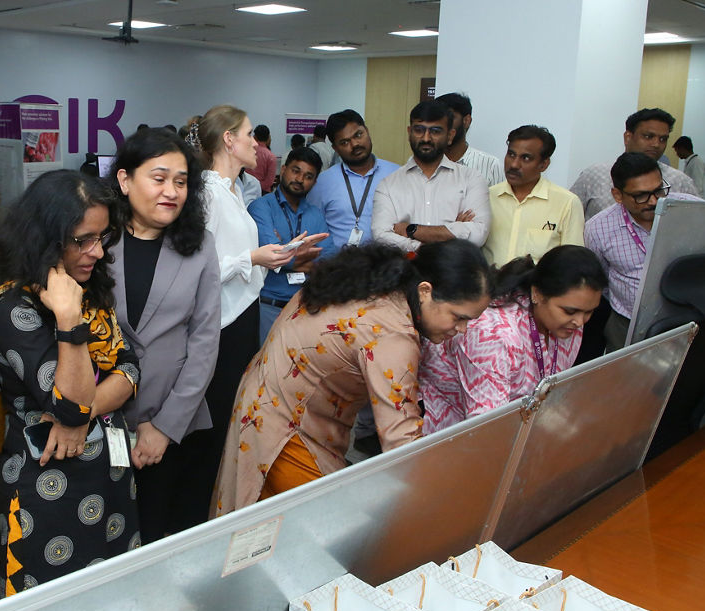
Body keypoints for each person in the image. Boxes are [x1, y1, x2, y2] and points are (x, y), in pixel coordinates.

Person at [212, 239, 494, 515]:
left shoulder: (383, 281)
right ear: (425, 291)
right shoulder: (393, 333)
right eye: (458, 317)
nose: (463, 330)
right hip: (284, 426)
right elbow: (401, 441)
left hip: (271, 399)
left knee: (267, 525)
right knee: (321, 530)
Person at [0, 170, 141, 596]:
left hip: (110, 481)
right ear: (46, 238)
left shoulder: (87, 286)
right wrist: (68, 321)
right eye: (83, 239)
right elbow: (68, 404)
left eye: (101, 237)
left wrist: (81, 416)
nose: (96, 252)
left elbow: (130, 369)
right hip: (46, 495)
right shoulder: (12, 308)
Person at [180, 104, 308, 526]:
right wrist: (253, 257)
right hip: (219, 322)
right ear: (229, 140)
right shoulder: (207, 193)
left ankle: (216, 509)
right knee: (214, 422)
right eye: (250, 134)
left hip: (240, 314)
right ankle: (197, 516)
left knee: (230, 416)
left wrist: (281, 256)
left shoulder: (236, 190)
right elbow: (201, 268)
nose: (258, 144)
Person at [105, 129, 221, 541]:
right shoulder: (96, 242)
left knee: (162, 536)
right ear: (124, 181)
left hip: (175, 424)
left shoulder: (200, 246)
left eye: (181, 180)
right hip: (100, 425)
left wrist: (165, 426)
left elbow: (205, 341)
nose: (171, 191)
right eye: (159, 178)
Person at [420, 245, 607, 433]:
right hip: (453, 428)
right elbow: (487, 426)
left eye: (589, 312)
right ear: (537, 294)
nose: (579, 322)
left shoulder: (568, 325)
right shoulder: (493, 335)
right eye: (569, 311)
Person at [584, 152, 703, 351]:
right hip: (627, 324)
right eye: (640, 195)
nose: (653, 201)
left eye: (658, 191)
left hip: (686, 321)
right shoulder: (598, 229)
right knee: (626, 380)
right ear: (617, 195)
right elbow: (601, 280)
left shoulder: (692, 210)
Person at [371, 100, 491, 252]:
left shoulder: (471, 179)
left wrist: (410, 230)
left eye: (435, 131)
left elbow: (478, 235)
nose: (426, 138)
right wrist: (450, 233)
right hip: (405, 273)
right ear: (409, 132)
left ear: (450, 135)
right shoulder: (388, 185)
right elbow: (381, 237)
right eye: (419, 130)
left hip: (455, 274)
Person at [248, 146, 335, 341]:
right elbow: (275, 256)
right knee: (266, 367)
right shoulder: (261, 207)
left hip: (307, 307)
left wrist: (285, 252)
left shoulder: (316, 214)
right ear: (284, 169)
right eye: (296, 171)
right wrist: (302, 257)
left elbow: (328, 260)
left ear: (314, 181)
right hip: (269, 306)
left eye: (308, 176)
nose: (300, 179)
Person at [570, 108, 699, 220]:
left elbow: (697, 225)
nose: (656, 144)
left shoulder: (681, 182)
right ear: (628, 137)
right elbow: (567, 217)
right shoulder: (594, 175)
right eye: (648, 136)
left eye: (662, 139)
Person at [485, 125, 584, 265]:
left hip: (538, 286)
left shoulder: (566, 203)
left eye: (525, 158)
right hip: (491, 285)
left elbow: (573, 263)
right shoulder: (486, 197)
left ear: (544, 165)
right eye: (511, 154)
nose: (513, 164)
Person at [306, 109, 399, 247]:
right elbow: (312, 229)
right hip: (339, 265)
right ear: (335, 148)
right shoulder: (322, 183)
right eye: (344, 142)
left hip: (388, 264)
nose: (355, 144)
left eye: (359, 135)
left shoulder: (396, 174)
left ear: (367, 131)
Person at [436, 92, 504, 187]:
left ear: (466, 121)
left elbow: (501, 201)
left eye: (449, 118)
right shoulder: (424, 162)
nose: (441, 125)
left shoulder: (490, 165)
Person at [249, 124, 277, 194]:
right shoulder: (271, 156)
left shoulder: (247, 152)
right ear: (268, 138)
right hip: (263, 192)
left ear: (254, 136)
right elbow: (270, 181)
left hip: (246, 189)